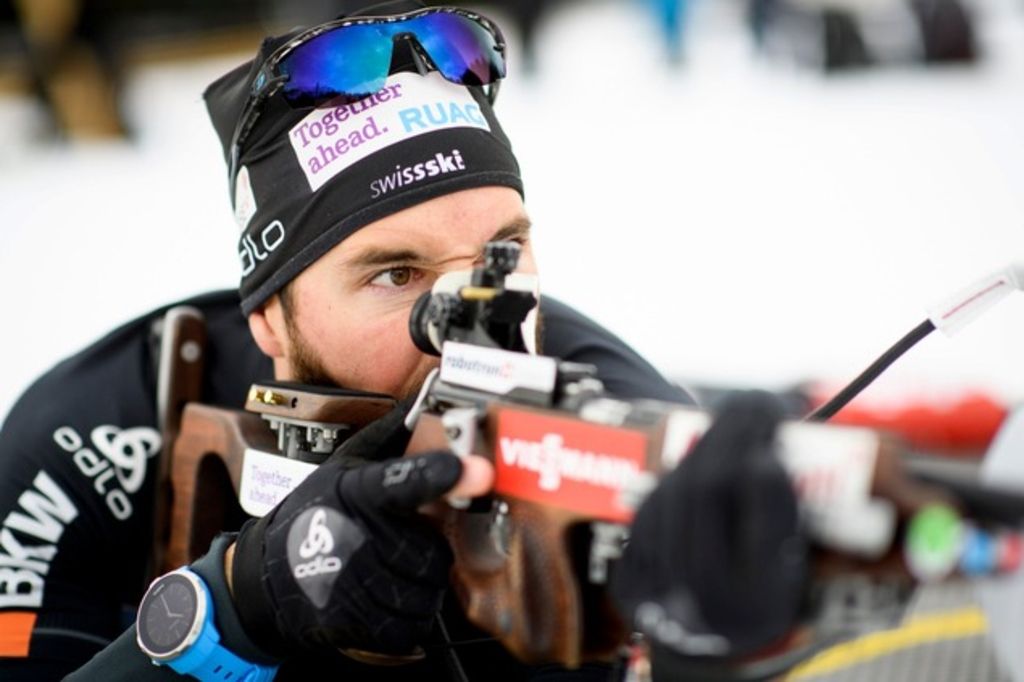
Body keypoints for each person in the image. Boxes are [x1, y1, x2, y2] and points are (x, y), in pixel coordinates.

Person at [0, 1, 695, 680]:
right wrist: (241, 603)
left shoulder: (582, 378)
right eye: (396, 273)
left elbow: (678, 468)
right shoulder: (89, 438)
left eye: (501, 251)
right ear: (269, 316)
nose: (474, 324)